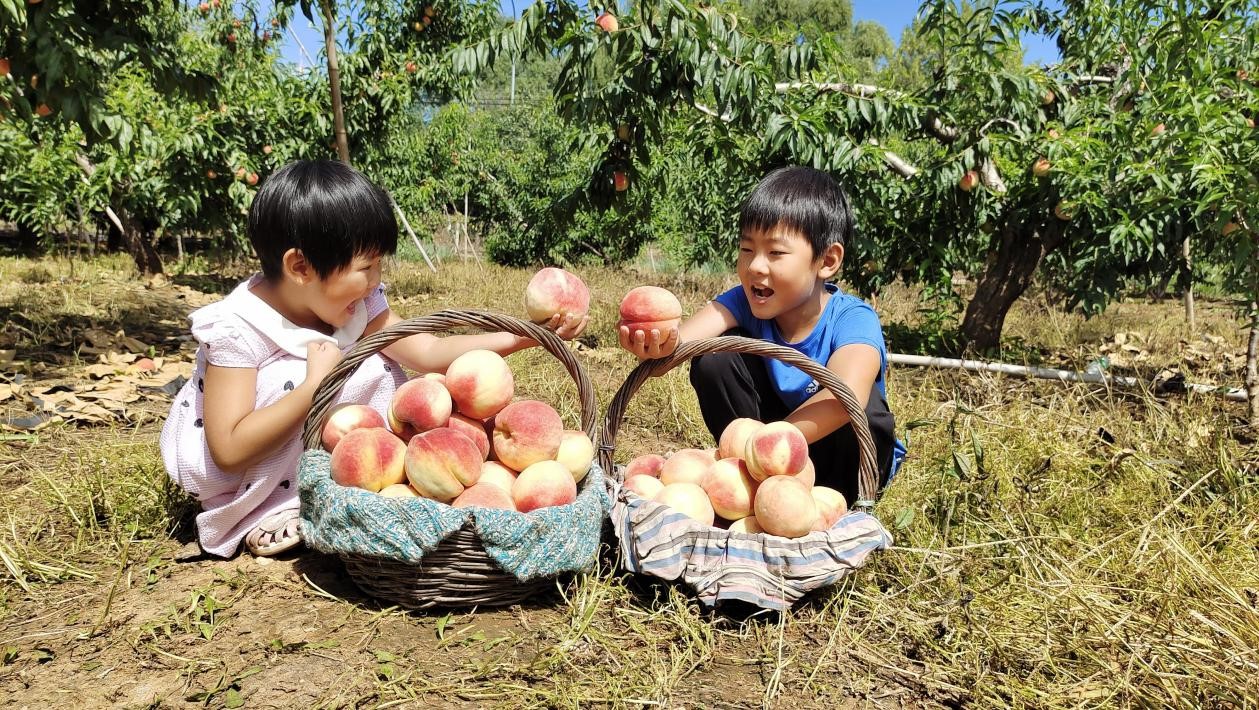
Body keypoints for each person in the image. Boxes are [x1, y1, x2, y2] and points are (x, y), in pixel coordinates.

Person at [161, 160, 586, 558]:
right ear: (301, 266)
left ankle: (351, 489)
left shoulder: (357, 304)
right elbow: (230, 449)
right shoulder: (238, 328)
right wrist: (313, 387)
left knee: (370, 360)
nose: (376, 281)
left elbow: (428, 352)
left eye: (379, 264)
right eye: (366, 266)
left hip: (355, 457)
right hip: (255, 469)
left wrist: (522, 338)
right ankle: (270, 510)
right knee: (295, 375)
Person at [619, 166, 902, 506]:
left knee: (860, 403)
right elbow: (679, 346)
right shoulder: (743, 301)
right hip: (766, 466)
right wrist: (656, 346)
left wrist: (764, 445)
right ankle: (747, 489)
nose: (755, 266)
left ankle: (838, 501)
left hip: (840, 469)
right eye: (747, 249)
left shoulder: (853, 318)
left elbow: (847, 396)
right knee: (714, 359)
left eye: (776, 253)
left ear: (827, 261)